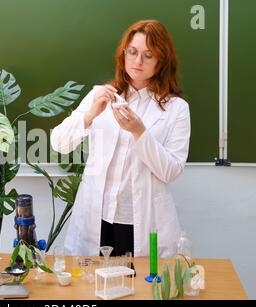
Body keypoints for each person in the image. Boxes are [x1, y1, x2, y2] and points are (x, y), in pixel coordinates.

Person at [51, 20, 191, 258]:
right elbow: (58, 143)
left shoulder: (176, 108)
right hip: (97, 217)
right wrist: (90, 114)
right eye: (133, 52)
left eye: (148, 55)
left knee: (139, 290)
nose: (138, 62)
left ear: (161, 60)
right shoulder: (100, 96)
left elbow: (170, 171)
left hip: (140, 221)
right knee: (90, 288)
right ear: (123, 54)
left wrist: (140, 132)